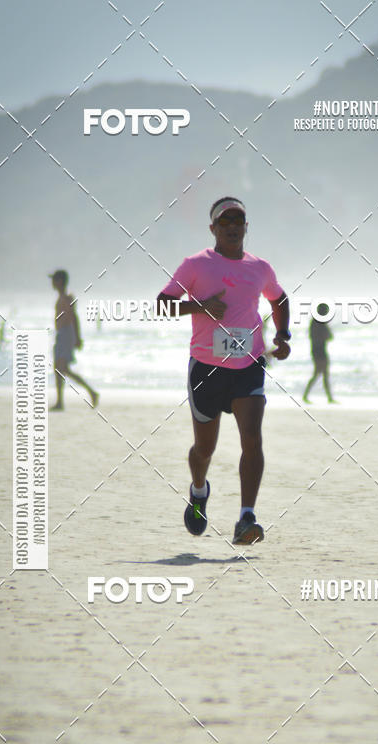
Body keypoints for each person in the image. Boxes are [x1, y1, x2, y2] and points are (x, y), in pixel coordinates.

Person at [157, 196, 291, 545]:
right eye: (225, 220)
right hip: (206, 370)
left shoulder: (260, 267)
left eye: (239, 220)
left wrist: (283, 334)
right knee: (205, 450)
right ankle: (199, 491)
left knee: (252, 437)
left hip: (249, 365)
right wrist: (201, 306)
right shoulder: (195, 265)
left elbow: (279, 299)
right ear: (213, 228)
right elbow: (163, 304)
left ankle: (246, 518)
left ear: (246, 227)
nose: (233, 226)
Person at [49, 269, 98, 411]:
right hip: (61, 335)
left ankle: (91, 392)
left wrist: (77, 338)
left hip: (66, 335)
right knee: (59, 370)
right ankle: (59, 402)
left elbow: (74, 318)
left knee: (63, 369)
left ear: (60, 281)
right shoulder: (61, 298)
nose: (52, 283)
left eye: (54, 280)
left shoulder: (67, 298)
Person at [303, 303, 334, 403]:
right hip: (319, 351)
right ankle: (306, 395)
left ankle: (329, 398)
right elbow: (328, 336)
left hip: (318, 350)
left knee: (323, 374)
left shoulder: (316, 322)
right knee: (318, 374)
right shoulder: (319, 323)